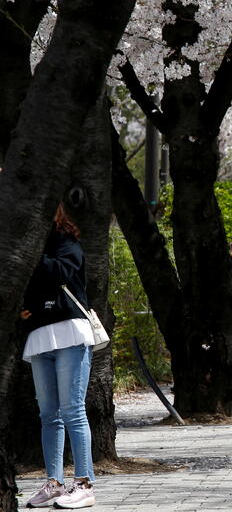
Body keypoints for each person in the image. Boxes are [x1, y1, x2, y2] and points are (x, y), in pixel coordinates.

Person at [20, 205, 98, 509]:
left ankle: (84, 484)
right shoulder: (23, 243)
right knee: (48, 415)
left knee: (72, 410)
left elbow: (62, 272)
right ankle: (54, 483)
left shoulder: (66, 241)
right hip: (40, 336)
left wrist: (33, 255)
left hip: (70, 332)